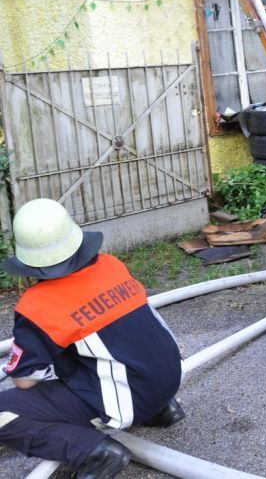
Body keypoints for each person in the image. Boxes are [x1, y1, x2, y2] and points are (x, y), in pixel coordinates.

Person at [0, 199, 184, 478]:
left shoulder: (37, 305)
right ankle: (160, 409)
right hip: (168, 380)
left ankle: (94, 452)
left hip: (127, 399)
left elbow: (25, 380)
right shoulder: (111, 264)